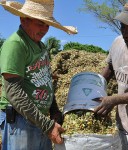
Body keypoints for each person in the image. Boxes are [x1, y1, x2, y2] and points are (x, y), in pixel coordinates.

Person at [0, 0, 77, 150]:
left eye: (47, 24)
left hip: (39, 119)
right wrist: (47, 125)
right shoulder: (16, 44)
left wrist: (54, 111)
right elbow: (13, 92)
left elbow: (46, 82)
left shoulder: (42, 47)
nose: (45, 29)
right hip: (20, 121)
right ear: (23, 19)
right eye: (40, 23)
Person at [94, 1, 128, 150]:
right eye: (122, 27)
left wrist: (115, 99)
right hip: (121, 128)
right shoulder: (118, 42)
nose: (125, 32)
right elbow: (110, 68)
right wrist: (92, 88)